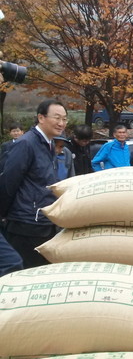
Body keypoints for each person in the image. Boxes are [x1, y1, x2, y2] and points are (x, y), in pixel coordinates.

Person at [0, 99, 66, 268]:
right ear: (41, 118)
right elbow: (8, 182)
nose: (61, 123)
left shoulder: (50, 144)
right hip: (25, 223)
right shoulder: (26, 143)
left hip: (43, 222)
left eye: (64, 119)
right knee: (24, 273)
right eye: (57, 118)